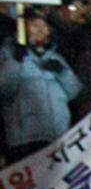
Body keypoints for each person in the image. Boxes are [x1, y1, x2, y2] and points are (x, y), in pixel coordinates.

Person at [0, 10, 81, 160]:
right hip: (25, 138)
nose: (40, 30)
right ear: (23, 28)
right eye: (34, 25)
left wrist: (63, 73)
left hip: (57, 134)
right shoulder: (7, 53)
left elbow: (74, 92)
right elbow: (5, 90)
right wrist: (14, 63)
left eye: (44, 26)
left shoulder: (55, 55)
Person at [47, 0, 89, 69]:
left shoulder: (88, 32)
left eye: (81, 6)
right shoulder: (50, 34)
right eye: (73, 7)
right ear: (60, 12)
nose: (80, 11)